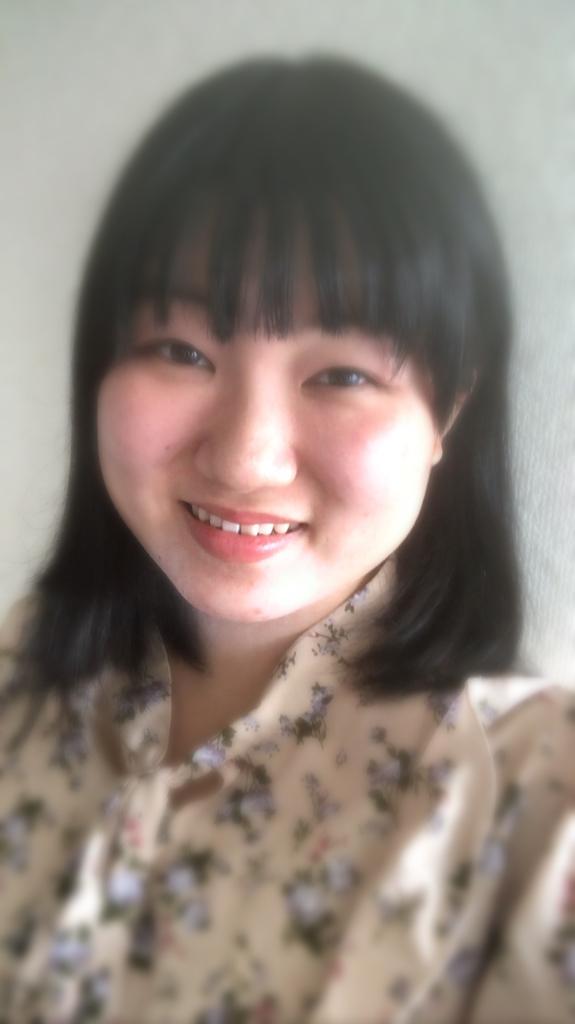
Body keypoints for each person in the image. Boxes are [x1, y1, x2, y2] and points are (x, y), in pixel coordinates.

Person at [0, 55, 572, 1024]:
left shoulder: (537, 806)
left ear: (448, 409)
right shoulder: (21, 668)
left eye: (342, 374)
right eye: (180, 350)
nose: (244, 459)